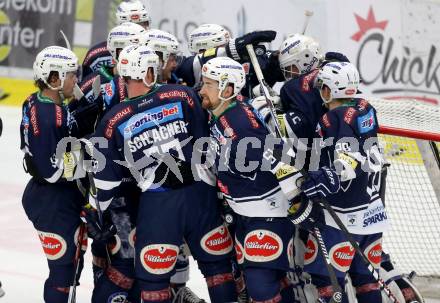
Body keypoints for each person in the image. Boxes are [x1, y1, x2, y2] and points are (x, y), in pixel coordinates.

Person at [88, 44, 237, 302]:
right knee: (219, 268)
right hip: (199, 194)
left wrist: (96, 211)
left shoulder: (112, 120)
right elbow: (205, 146)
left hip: (159, 204)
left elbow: (105, 182)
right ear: (149, 72)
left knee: (153, 279)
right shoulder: (184, 95)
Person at [200, 56, 322, 302]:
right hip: (247, 214)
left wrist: (298, 198)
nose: (201, 90)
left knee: (260, 285)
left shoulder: (242, 125)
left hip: (267, 214)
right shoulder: (225, 113)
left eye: (208, 84)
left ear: (228, 89)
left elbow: (280, 159)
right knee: (273, 282)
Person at [300, 61, 388, 303]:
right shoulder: (365, 107)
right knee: (367, 280)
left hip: (342, 217)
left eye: (322, 87)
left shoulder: (333, 118)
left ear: (329, 90)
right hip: (373, 211)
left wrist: (323, 177)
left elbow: (348, 161)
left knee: (328, 283)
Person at [20, 46, 87, 303]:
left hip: (57, 197)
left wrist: (81, 116)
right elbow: (51, 170)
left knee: (71, 266)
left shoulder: (38, 101)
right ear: (54, 78)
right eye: (71, 75)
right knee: (62, 273)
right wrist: (90, 156)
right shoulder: (50, 116)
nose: (76, 80)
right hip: (51, 201)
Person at [81, 0, 151, 80]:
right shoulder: (96, 56)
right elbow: (83, 89)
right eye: (132, 25)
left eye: (143, 24)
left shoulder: (155, 52)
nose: (138, 30)